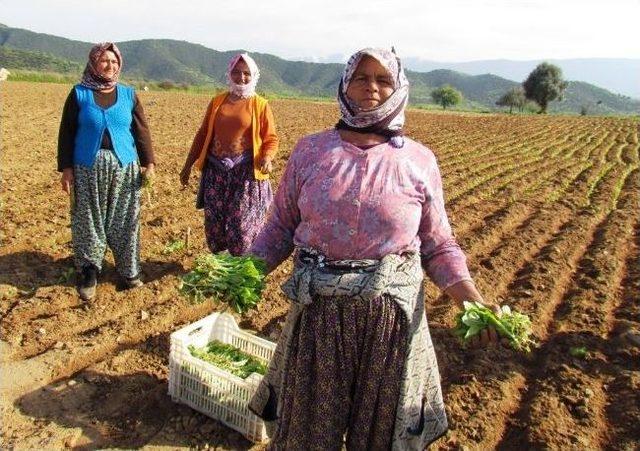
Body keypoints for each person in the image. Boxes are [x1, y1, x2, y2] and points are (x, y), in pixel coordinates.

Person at [246, 48, 500, 450]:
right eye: (361, 78)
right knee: (308, 436)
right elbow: (279, 226)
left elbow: (438, 245)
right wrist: (242, 272)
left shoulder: (419, 161)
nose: (372, 88)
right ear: (345, 84)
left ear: (398, 87)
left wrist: (471, 300)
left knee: (379, 438)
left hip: (389, 325)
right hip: (319, 318)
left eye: (383, 79)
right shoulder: (311, 151)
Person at [57, 42, 155, 301]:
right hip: (87, 167)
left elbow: (141, 131)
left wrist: (150, 164)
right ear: (93, 64)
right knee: (88, 220)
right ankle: (88, 272)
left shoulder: (129, 95)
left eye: (114, 62)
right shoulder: (79, 94)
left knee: (126, 220)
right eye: (104, 61)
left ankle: (130, 271)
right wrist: (66, 168)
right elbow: (66, 132)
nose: (110, 66)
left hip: (125, 167)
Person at [180, 53, 278, 255]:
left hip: (245, 174)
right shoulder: (217, 102)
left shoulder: (260, 105)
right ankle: (221, 266)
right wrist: (188, 165)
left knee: (241, 225)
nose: (241, 77)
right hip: (215, 172)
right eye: (236, 72)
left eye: (246, 73)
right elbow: (203, 134)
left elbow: (271, 138)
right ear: (229, 73)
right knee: (214, 224)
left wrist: (267, 158)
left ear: (254, 76)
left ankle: (240, 267)